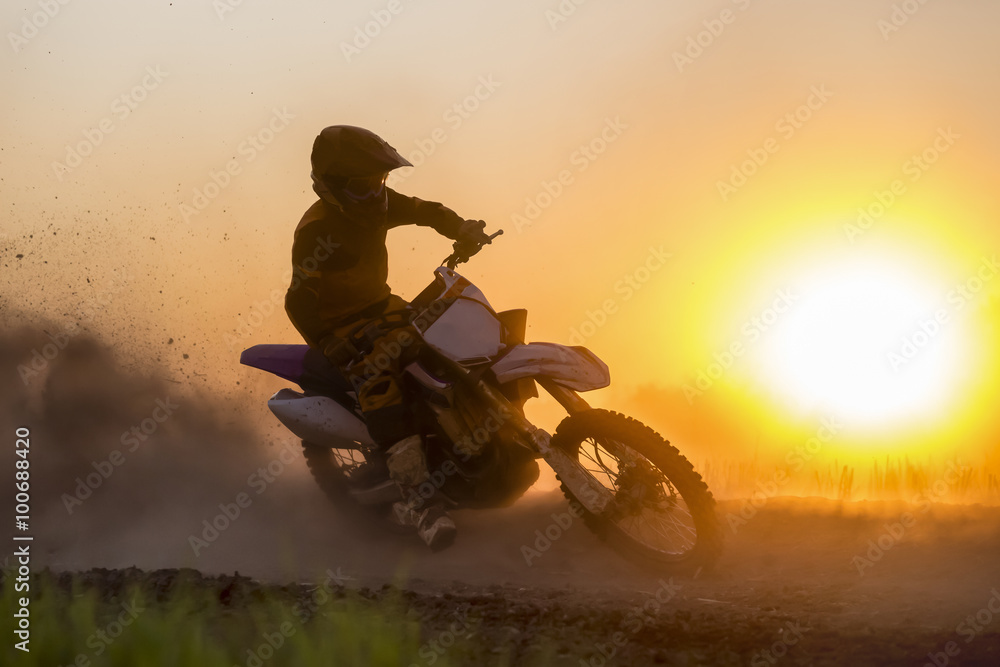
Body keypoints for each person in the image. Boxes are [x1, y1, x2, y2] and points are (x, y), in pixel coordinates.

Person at [284, 125, 490, 550]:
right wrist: (328, 340)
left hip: (386, 308)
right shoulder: (316, 232)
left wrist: (461, 228)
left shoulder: (378, 204)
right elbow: (298, 300)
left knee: (452, 339)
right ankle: (423, 505)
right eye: (363, 185)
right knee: (380, 384)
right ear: (332, 187)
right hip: (345, 327)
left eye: (380, 180)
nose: (376, 191)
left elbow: (426, 210)